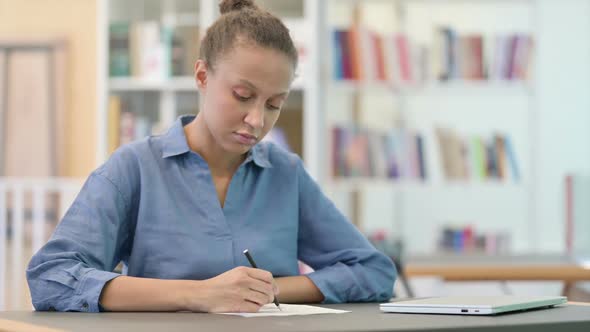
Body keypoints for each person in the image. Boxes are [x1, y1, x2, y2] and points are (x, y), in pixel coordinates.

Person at [26, 0, 396, 313]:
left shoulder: (286, 174)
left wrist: (266, 291)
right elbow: (51, 278)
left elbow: (372, 270)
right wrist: (198, 294)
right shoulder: (135, 168)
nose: (256, 120)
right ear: (202, 76)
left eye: (274, 105)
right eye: (242, 95)